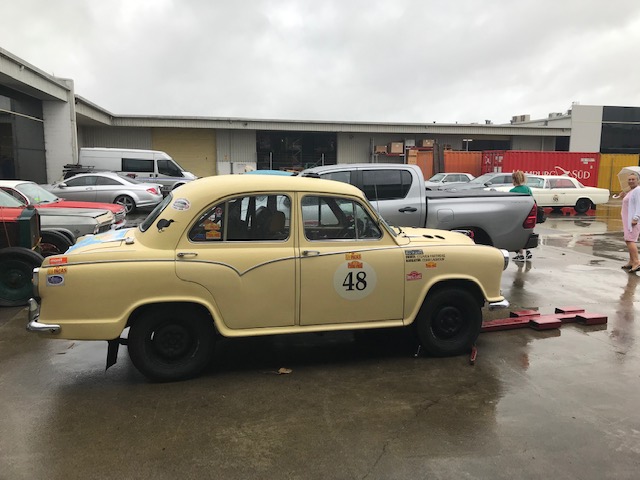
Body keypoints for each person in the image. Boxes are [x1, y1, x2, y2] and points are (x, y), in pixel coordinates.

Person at [510, 170, 533, 262]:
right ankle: (528, 251)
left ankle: (520, 254)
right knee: (527, 234)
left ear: (514, 180)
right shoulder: (527, 189)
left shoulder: (512, 191)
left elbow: (511, 205)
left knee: (517, 235)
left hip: (517, 216)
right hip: (528, 214)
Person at [620, 171, 640, 272]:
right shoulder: (632, 191)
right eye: (629, 179)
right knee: (628, 239)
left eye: (633, 179)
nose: (631, 181)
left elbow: (639, 205)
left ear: (638, 181)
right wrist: (624, 196)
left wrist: (636, 218)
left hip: (633, 221)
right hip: (627, 220)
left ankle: (636, 262)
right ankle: (631, 261)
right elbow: (630, 203)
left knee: (630, 240)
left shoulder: (638, 190)